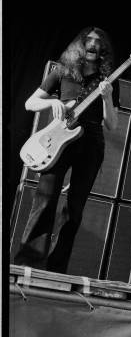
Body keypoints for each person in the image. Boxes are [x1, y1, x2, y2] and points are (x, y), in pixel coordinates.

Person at [14, 27, 120, 274]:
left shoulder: (109, 81)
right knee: (45, 200)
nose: (93, 45)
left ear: (103, 50)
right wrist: (52, 101)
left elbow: (112, 125)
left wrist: (107, 97)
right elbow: (31, 103)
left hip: (92, 142)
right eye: (89, 41)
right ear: (80, 45)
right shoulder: (61, 71)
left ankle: (56, 268)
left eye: (98, 42)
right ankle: (28, 263)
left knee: (74, 209)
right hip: (58, 140)